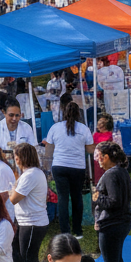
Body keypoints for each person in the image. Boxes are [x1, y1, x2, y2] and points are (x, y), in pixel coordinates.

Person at [44, 101, 94, 237]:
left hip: (59, 166)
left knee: (63, 199)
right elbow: (90, 149)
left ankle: (65, 232)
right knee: (77, 197)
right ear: (79, 114)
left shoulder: (55, 128)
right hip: (77, 167)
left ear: (63, 113)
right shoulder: (84, 129)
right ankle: (78, 231)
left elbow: (48, 150)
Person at [93, 141, 131, 262]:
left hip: (112, 224)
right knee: (117, 259)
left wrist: (97, 197)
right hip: (122, 222)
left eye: (100, 156)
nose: (98, 160)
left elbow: (113, 201)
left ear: (107, 157)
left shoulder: (110, 175)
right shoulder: (122, 172)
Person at [8, 142, 48, 262]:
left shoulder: (30, 175)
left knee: (29, 259)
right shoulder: (32, 173)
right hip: (26, 221)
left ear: (21, 158)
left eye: (16, 157)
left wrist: (12, 189)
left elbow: (14, 199)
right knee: (18, 251)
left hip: (33, 223)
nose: (15, 160)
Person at [91, 113, 113, 185]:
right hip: (97, 158)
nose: (99, 125)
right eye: (99, 123)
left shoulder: (109, 135)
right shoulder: (96, 134)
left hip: (105, 157)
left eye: (102, 123)